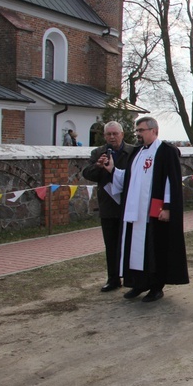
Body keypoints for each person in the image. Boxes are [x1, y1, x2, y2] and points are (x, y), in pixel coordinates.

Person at [100, 116, 189, 302]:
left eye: (141, 130)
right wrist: (112, 170)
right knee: (133, 249)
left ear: (154, 131)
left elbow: (171, 181)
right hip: (135, 212)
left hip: (153, 212)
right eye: (137, 130)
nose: (138, 134)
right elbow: (130, 178)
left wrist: (168, 207)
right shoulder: (137, 152)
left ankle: (156, 287)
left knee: (154, 249)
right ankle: (138, 284)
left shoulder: (166, 151)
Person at [82, 121, 134, 292]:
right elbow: (87, 174)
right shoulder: (98, 152)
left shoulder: (133, 151)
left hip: (129, 205)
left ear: (122, 134)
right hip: (109, 206)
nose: (112, 137)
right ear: (104, 136)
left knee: (130, 243)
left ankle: (132, 277)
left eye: (115, 133)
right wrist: (98, 166)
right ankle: (113, 278)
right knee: (111, 245)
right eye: (108, 134)